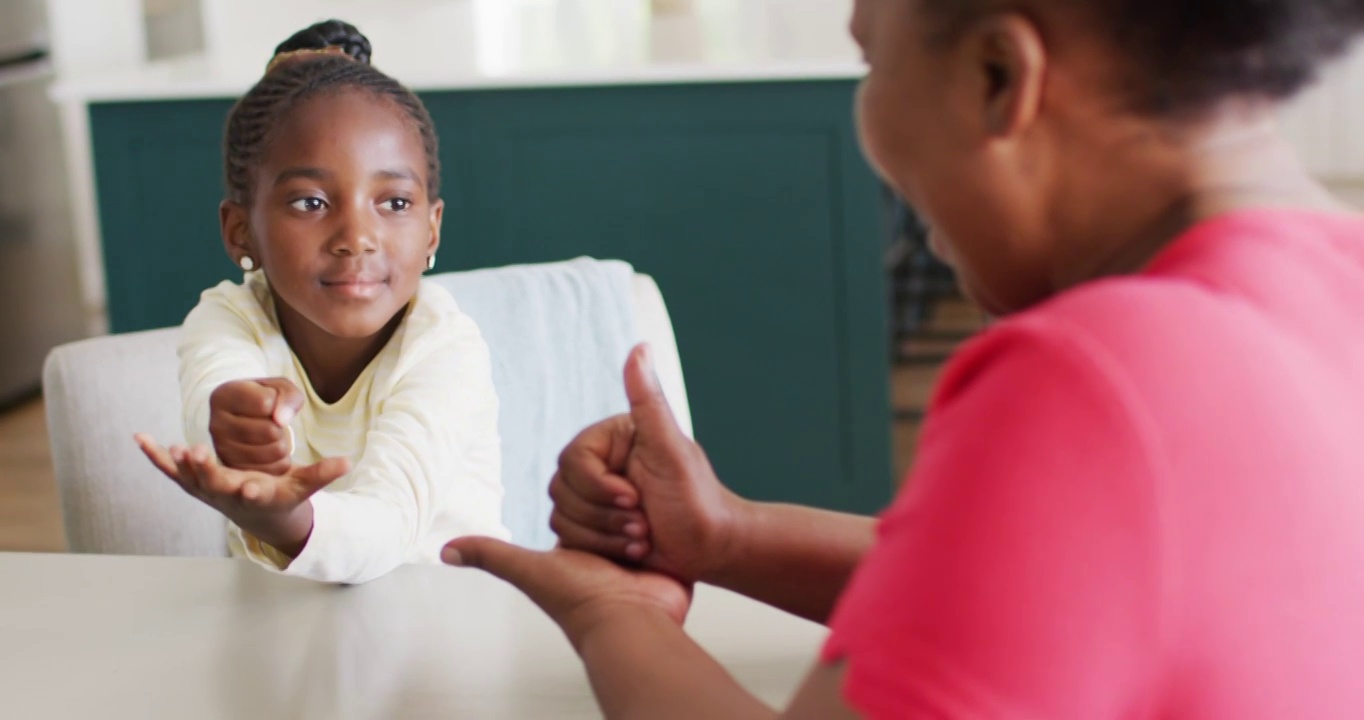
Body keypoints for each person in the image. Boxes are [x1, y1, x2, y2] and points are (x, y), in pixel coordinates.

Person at [442, 0, 1364, 716]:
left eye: (871, 59)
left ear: (999, 76)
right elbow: (1053, 593)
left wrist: (615, 616)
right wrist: (729, 536)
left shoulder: (1093, 376)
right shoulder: (1337, 282)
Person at [135, 20, 507, 585]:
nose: (356, 236)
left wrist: (288, 519)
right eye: (310, 202)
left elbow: (390, 523)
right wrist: (229, 427)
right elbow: (214, 400)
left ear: (432, 231)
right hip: (285, 629)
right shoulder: (227, 321)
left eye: (395, 202)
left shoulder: (445, 347)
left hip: (451, 633)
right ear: (241, 232)